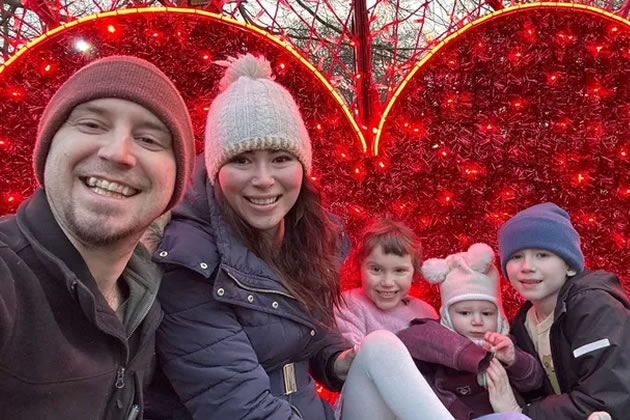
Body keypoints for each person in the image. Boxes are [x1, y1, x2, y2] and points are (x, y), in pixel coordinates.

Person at [152, 53, 355, 420]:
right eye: (242, 160)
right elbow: (239, 408)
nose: (263, 179)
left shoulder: (304, 235)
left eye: (280, 158)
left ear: (302, 166)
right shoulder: (190, 261)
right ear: (216, 169)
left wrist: (337, 359)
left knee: (386, 354)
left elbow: (305, 326)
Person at [0, 56, 195, 419]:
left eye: (149, 139)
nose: (118, 153)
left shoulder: (148, 300)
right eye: (91, 124)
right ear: (48, 147)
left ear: (175, 183)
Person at [498, 202, 630, 419]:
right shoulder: (522, 324)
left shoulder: (595, 307)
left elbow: (608, 401)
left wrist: (522, 414)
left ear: (569, 265)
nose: (526, 267)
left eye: (542, 255)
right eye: (516, 256)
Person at [394, 243, 541, 420]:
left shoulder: (501, 343)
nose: (477, 321)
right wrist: (470, 354)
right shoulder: (437, 337)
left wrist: (514, 360)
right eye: (464, 313)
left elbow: (533, 382)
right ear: (447, 316)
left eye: (487, 313)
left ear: (499, 316)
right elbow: (406, 339)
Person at [334, 217, 438, 345]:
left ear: (414, 273)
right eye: (376, 269)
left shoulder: (426, 312)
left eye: (399, 270)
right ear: (360, 267)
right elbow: (353, 353)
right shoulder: (348, 304)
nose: (387, 282)